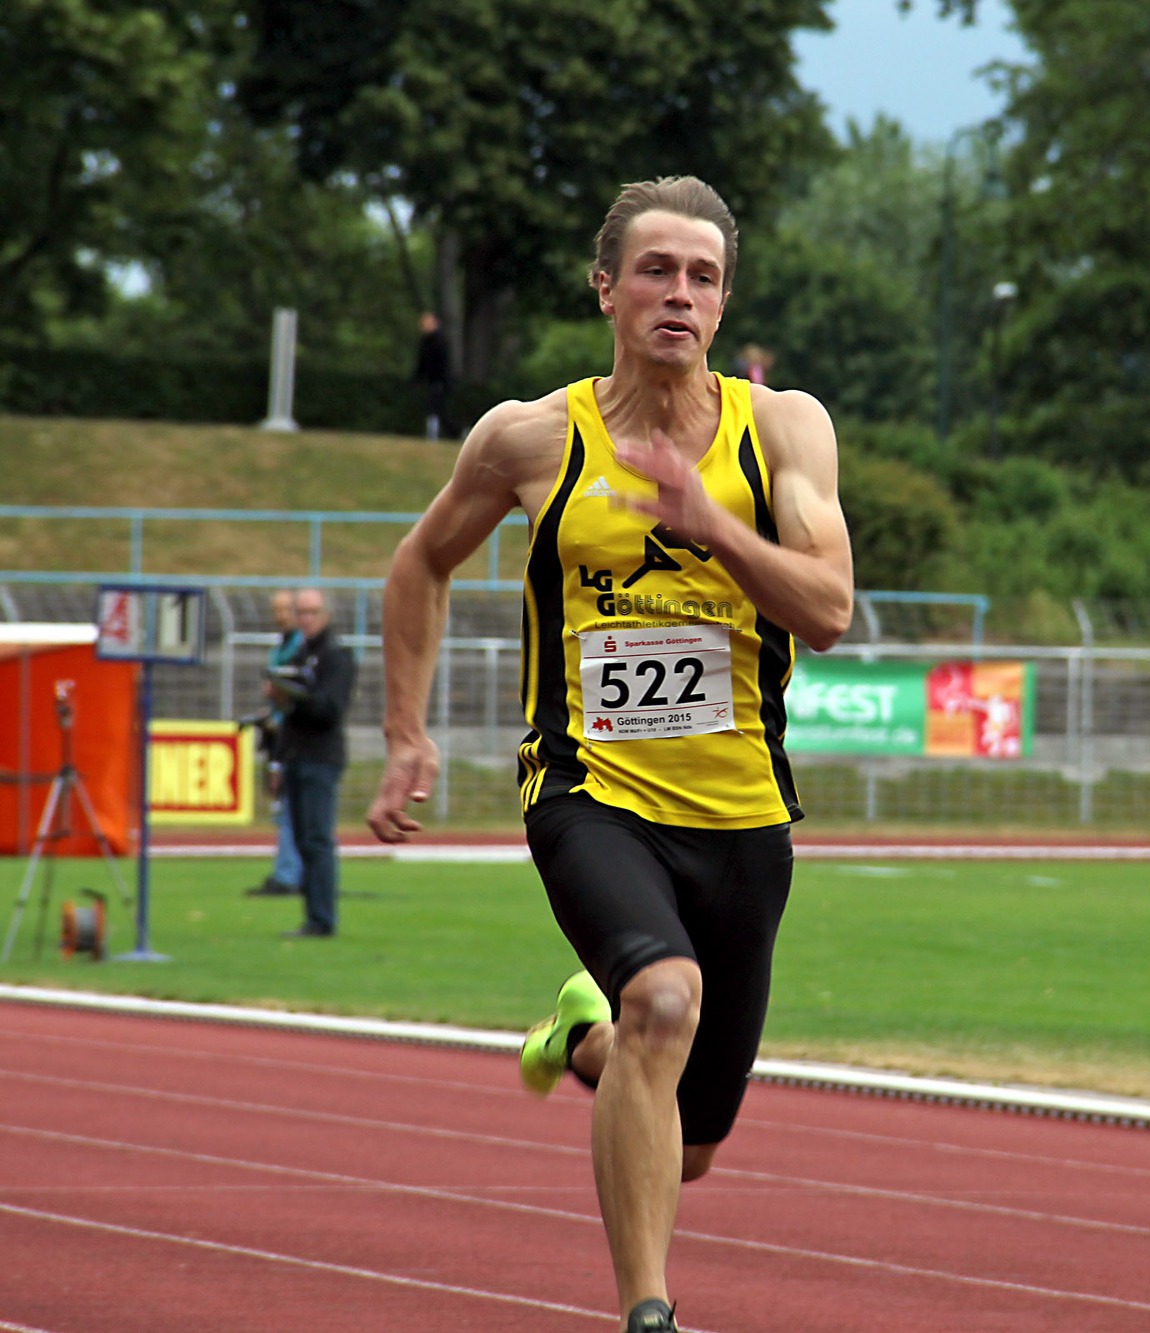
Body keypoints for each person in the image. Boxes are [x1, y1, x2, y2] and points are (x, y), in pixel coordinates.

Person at [365, 176, 853, 1333]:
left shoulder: (785, 428)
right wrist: (405, 731)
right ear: (605, 289)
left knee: (691, 1143)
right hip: (589, 791)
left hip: (741, 815)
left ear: (722, 304)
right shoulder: (530, 438)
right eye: (655, 271)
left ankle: (582, 1038)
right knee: (666, 1000)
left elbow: (828, 610)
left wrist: (712, 526)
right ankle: (647, 1311)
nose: (678, 294)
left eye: (702, 277)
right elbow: (420, 562)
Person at [272, 588, 354, 938]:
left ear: (326, 615)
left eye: (311, 612)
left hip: (321, 757)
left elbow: (331, 709)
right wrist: (277, 761)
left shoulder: (336, 657)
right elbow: (287, 719)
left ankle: (322, 918)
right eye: (300, 612)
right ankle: (312, 913)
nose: (304, 618)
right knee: (303, 839)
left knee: (318, 839)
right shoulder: (299, 653)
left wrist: (295, 697)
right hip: (295, 754)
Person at [246, 589, 306, 897]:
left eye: (285, 609)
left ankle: (289, 874)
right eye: (276, 610)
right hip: (281, 733)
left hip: (293, 736)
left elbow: (295, 692)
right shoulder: (283, 645)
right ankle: (294, 871)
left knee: (291, 807)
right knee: (287, 807)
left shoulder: (300, 646)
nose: (280, 616)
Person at [414, 311, 456, 441]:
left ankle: (435, 435)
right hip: (431, 381)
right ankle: (451, 432)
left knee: (436, 409)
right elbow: (422, 363)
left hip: (439, 381)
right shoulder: (425, 342)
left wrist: (444, 381)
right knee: (437, 410)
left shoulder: (440, 342)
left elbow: (443, 364)